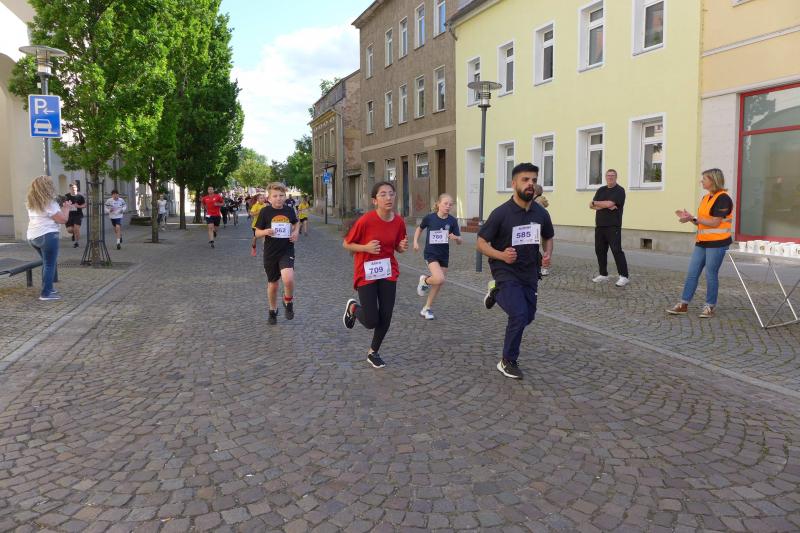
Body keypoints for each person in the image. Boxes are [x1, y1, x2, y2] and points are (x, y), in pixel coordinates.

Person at [477, 163, 554, 379]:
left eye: (534, 180)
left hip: (529, 270)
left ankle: (495, 292)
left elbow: (548, 236)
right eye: (525, 180)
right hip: (505, 269)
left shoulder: (541, 213)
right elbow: (481, 242)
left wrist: (547, 254)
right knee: (518, 314)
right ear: (514, 183)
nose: (530, 184)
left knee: (528, 316)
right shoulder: (501, 213)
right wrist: (501, 255)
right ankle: (507, 361)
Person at [341, 181, 408, 369]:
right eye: (383, 194)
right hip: (366, 271)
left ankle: (373, 352)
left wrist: (401, 247)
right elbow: (346, 244)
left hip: (387, 271)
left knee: (386, 316)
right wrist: (366, 248)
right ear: (374, 200)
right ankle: (353, 308)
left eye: (391, 193)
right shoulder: (366, 221)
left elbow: (397, 247)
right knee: (371, 320)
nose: (388, 197)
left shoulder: (399, 221)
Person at [667, 168, 733, 319]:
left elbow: (715, 223)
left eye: (704, 179)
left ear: (713, 180)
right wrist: (690, 218)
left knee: (711, 274)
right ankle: (683, 304)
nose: (701, 181)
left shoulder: (723, 198)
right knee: (692, 273)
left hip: (718, 243)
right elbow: (702, 222)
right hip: (702, 242)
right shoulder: (705, 198)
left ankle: (710, 306)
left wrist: (694, 218)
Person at [254, 183, 299, 325]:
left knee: (288, 278)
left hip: (286, 249)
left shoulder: (289, 210)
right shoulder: (265, 212)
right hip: (270, 252)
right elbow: (257, 233)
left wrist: (296, 232)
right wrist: (265, 232)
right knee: (273, 285)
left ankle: (288, 301)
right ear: (269, 198)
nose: (278, 198)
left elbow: (296, 223)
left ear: (285, 197)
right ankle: (272, 310)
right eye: (275, 196)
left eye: (281, 195)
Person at [413, 194, 462, 320]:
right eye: (445, 203)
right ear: (438, 204)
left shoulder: (452, 221)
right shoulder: (430, 218)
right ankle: (425, 280)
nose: (448, 206)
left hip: (444, 255)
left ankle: (426, 308)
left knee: (438, 283)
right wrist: (415, 242)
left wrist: (456, 238)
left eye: (450, 204)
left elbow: (460, 240)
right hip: (431, 253)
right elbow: (419, 229)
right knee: (439, 278)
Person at [26, 176, 71, 301]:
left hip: (33, 236)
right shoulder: (49, 203)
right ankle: (46, 294)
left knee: (47, 264)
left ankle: (48, 288)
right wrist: (66, 208)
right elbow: (63, 220)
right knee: (50, 264)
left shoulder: (31, 202)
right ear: (47, 187)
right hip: (47, 235)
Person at [590, 169, 630, 287]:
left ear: (616, 177)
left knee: (616, 250)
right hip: (600, 225)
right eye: (608, 175)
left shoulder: (620, 190)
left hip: (613, 226)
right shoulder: (601, 190)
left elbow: (609, 204)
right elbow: (591, 205)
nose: (610, 177)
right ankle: (603, 274)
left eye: (612, 175)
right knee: (600, 250)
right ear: (605, 177)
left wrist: (599, 203)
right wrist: (603, 204)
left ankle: (624, 276)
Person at [532, 184, 550, 276]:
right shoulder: (540, 199)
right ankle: (543, 266)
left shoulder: (537, 201)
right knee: (543, 245)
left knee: (536, 245)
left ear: (534, 192)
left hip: (537, 225)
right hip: (541, 224)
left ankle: (543, 267)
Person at [64, 182, 86, 248]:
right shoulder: (66, 196)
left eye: (75, 187)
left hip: (78, 215)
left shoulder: (80, 196)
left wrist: (79, 206)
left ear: (77, 188)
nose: (73, 189)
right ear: (70, 189)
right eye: (72, 188)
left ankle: (76, 242)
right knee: (69, 230)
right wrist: (66, 206)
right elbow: (63, 204)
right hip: (69, 215)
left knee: (76, 228)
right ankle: (74, 233)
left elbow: (85, 205)